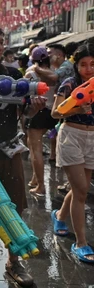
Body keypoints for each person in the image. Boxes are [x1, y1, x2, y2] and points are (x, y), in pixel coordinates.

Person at [0, 24, 45, 287]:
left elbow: (25, 114)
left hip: (10, 149)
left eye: (2, 41)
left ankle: (15, 261)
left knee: (14, 206)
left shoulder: (14, 75)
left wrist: (34, 110)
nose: (0, 46)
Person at [50, 44, 94, 263]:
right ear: (76, 65)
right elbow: (55, 112)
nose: (88, 69)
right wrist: (78, 108)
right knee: (82, 191)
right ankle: (81, 243)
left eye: (92, 64)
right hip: (71, 136)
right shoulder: (69, 84)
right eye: (84, 64)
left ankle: (59, 217)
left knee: (79, 190)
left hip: (92, 139)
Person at [24, 47, 58, 197]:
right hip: (51, 111)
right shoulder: (53, 71)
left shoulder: (31, 72)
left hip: (37, 111)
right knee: (34, 147)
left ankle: (40, 186)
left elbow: (24, 94)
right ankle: (34, 179)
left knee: (35, 150)